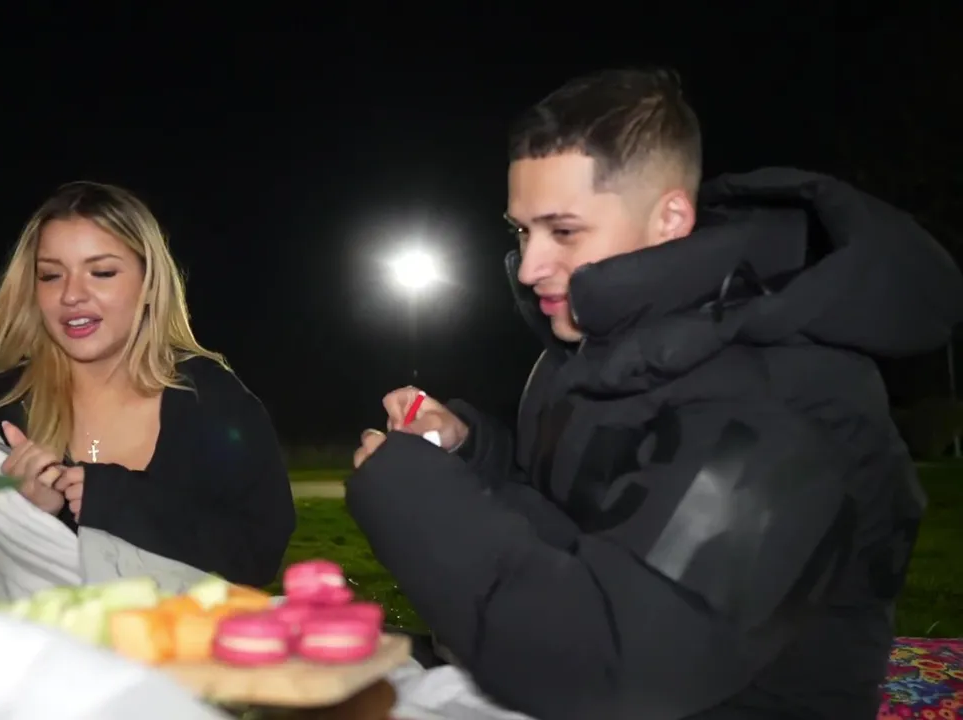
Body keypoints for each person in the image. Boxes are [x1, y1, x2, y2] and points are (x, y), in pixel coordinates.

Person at [349, 68, 963, 720]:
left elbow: (624, 669)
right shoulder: (590, 347)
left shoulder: (785, 397)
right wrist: (467, 455)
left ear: (670, 218)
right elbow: (572, 518)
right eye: (522, 231)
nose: (529, 268)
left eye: (563, 231)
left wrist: (415, 499)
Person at [0, 181, 295, 598]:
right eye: (51, 275)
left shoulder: (211, 399)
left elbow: (257, 554)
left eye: (101, 272)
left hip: (178, 640)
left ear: (149, 283)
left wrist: (117, 501)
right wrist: (30, 517)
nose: (71, 295)